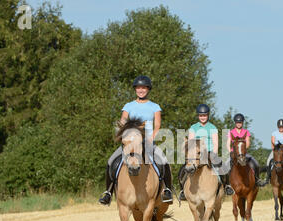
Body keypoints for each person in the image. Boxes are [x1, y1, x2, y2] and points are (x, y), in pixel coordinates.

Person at [98, 75, 173, 205]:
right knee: (111, 161)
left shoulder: (155, 106)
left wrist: (151, 139)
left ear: (148, 89)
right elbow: (122, 122)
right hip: (130, 143)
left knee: (164, 160)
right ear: (135, 89)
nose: (141, 90)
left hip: (148, 142)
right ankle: (108, 192)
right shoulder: (128, 106)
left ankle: (167, 190)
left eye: (144, 88)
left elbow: (157, 126)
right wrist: (121, 135)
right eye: (138, 88)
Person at [178, 104, 234, 201]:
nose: (202, 117)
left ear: (208, 115)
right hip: (196, 154)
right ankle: (182, 190)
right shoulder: (193, 127)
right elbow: (191, 143)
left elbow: (215, 143)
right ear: (198, 116)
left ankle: (227, 186)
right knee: (183, 169)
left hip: (209, 152)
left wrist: (213, 154)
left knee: (222, 166)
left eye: (204, 115)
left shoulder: (212, 127)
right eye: (200, 115)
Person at [226, 113, 264, 186]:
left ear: (242, 122)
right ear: (235, 122)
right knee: (226, 166)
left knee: (255, 163)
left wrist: (242, 150)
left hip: (243, 153)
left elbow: (248, 143)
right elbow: (228, 144)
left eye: (240, 122)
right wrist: (230, 151)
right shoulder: (231, 132)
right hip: (234, 154)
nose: (239, 124)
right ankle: (227, 185)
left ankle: (257, 179)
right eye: (237, 122)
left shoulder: (246, 132)